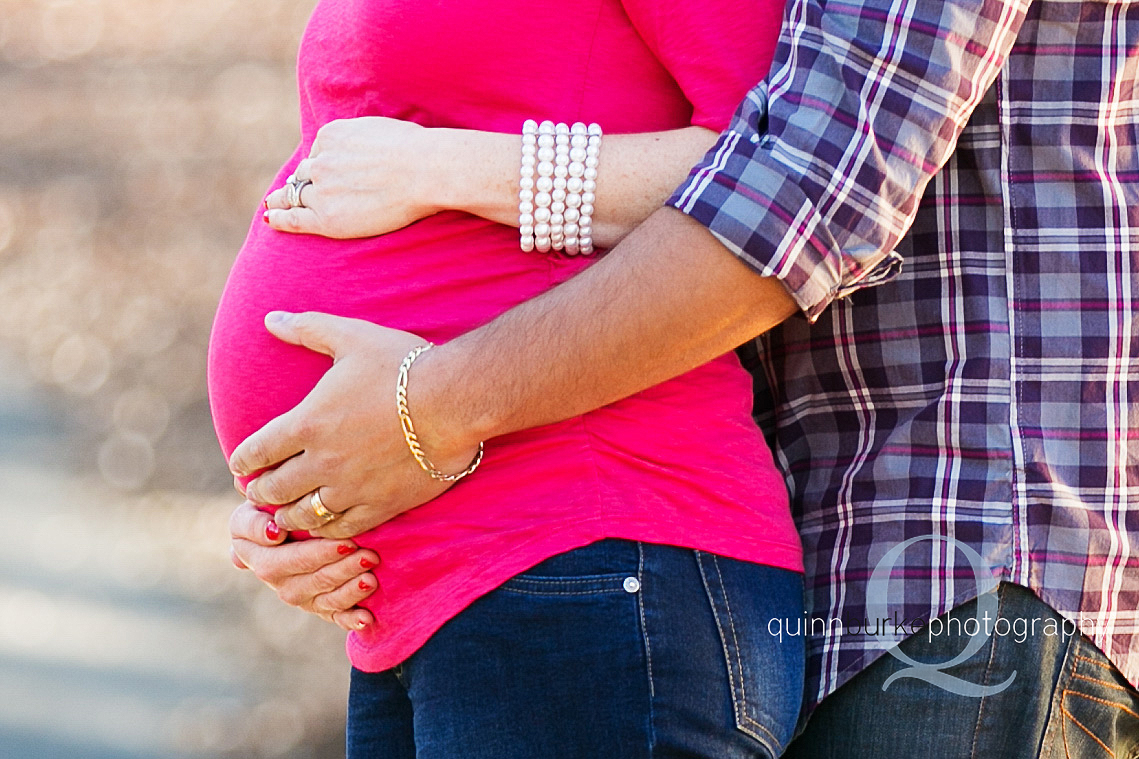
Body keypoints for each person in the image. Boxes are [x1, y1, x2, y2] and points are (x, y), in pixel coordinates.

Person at [229, 0, 1139, 754]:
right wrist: (308, 483)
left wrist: (423, 410)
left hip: (970, 532)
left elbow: (811, 182)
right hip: (783, 528)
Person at [210, 1, 807, 757]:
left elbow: (777, 174)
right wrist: (291, 500)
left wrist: (440, 168)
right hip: (424, 596)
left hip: (589, 545)